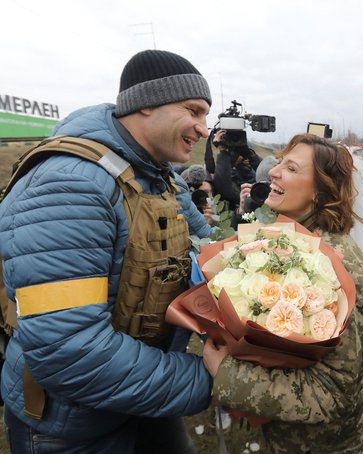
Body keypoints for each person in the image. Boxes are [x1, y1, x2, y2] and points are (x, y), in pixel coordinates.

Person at [0, 49, 216, 453]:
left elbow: (212, 251)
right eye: (194, 110)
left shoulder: (161, 177)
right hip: (71, 423)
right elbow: (68, 350)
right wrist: (209, 378)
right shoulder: (68, 185)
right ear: (146, 103)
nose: (204, 129)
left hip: (142, 394)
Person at [202, 133, 363, 453]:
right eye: (280, 161)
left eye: (291, 167)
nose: (272, 171)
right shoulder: (288, 242)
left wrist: (227, 374)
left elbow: (334, 393)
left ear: (320, 191)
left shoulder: (343, 273)